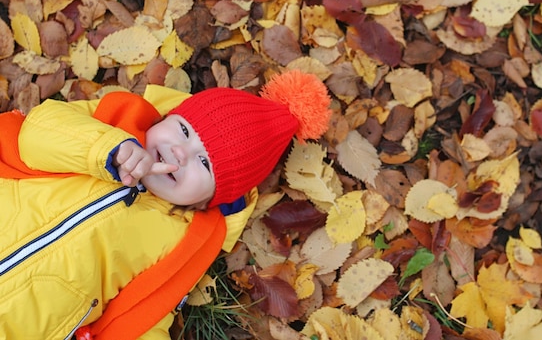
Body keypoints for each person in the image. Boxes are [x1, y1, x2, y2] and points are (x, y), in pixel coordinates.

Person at [0, 69, 331, 340]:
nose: (180, 152)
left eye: (204, 163)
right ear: (165, 117)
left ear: (206, 201)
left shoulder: (181, 243)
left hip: (25, 320)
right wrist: (107, 150)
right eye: (184, 130)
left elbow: (146, 314)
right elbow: (39, 133)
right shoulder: (114, 126)